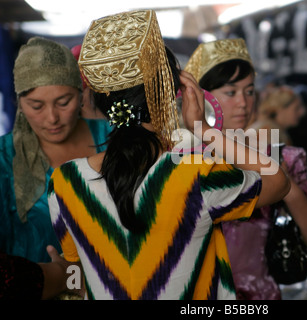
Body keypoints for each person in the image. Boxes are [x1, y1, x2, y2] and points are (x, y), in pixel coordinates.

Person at [47, 9, 290, 300]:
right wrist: (203, 129)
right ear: (169, 93)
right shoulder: (194, 174)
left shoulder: (65, 181)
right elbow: (277, 181)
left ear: (101, 98)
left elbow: (75, 274)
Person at [185, 38, 307, 300]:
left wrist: (286, 187)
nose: (243, 102)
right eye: (230, 92)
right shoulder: (183, 162)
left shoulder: (279, 156)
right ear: (202, 98)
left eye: (250, 91)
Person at [0, 37, 111, 264]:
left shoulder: (113, 139)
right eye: (36, 106)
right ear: (20, 103)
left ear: (81, 95)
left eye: (63, 102)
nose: (52, 118)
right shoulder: (3, 157)